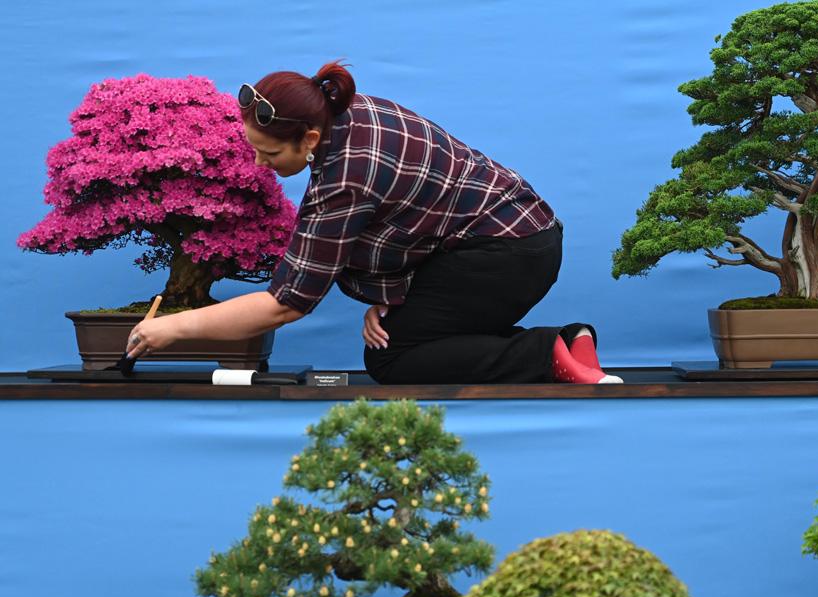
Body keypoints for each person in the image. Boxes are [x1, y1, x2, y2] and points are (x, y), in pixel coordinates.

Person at [125, 61, 622, 385]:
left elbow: (285, 305)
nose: (259, 165)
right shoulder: (352, 110)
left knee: (391, 358)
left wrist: (175, 327)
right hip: (518, 234)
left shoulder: (342, 181)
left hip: (502, 257)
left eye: (270, 152)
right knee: (398, 329)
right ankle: (573, 340)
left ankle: (544, 352)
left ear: (310, 137)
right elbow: (414, 211)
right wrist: (398, 295)